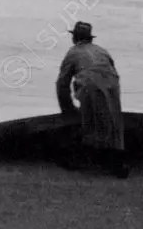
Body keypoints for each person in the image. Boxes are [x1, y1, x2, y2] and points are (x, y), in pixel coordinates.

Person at [55, 21, 129, 178]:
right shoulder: (102, 51)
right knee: (114, 122)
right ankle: (117, 161)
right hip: (112, 85)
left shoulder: (73, 52)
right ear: (90, 38)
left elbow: (62, 83)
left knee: (87, 120)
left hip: (90, 85)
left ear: (74, 37)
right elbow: (112, 70)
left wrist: (67, 110)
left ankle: (76, 158)